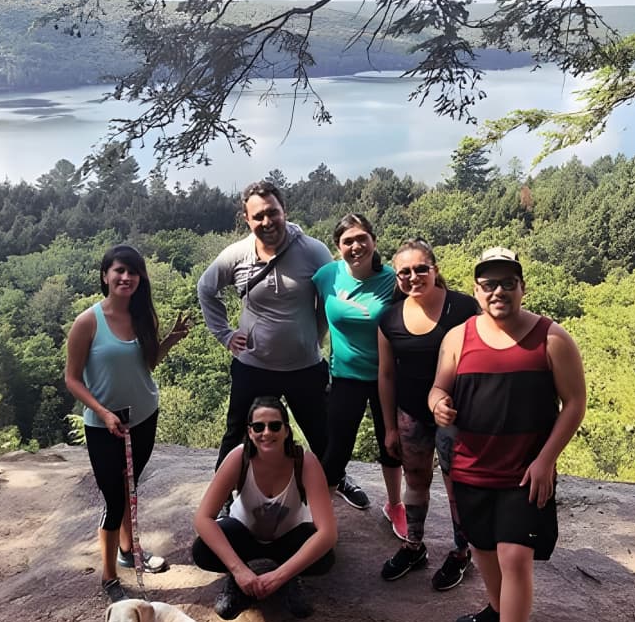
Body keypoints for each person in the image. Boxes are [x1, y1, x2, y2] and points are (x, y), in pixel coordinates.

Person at [429, 247, 586, 622]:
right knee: (482, 550)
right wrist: (439, 404)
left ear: (522, 287)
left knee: (514, 556)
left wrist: (546, 461)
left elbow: (574, 404)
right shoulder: (458, 337)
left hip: (525, 472)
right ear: (477, 292)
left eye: (507, 283)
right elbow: (438, 389)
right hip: (471, 467)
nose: (498, 291)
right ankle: (498, 613)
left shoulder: (553, 339)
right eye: (489, 284)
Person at [65, 244, 190, 602]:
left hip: (144, 416)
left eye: (133, 272)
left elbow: (145, 365)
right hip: (103, 425)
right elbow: (72, 379)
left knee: (129, 488)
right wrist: (102, 412)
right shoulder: (88, 322)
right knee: (114, 499)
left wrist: (169, 341)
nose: (126, 277)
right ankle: (109, 576)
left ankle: (128, 551)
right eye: (119, 270)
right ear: (105, 275)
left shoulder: (143, 317)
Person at [197, 180, 332, 475]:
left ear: (284, 211)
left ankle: (338, 480)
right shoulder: (237, 255)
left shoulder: (313, 251)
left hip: (305, 366)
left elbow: (330, 300)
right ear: (247, 219)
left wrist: (317, 338)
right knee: (237, 435)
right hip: (254, 366)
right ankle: (224, 495)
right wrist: (224, 334)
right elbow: (206, 288)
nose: (267, 221)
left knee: (323, 435)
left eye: (273, 212)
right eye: (258, 216)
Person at [378, 238, 478, 588]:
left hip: (458, 416)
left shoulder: (464, 309)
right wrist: (390, 427)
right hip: (411, 414)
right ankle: (414, 545)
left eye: (421, 268)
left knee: (458, 486)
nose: (414, 276)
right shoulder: (389, 318)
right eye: (404, 271)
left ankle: (461, 553)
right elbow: (386, 374)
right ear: (397, 276)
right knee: (416, 483)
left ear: (436, 270)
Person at [192, 396, 337, 620]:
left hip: (289, 540)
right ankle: (239, 579)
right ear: (250, 432)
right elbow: (203, 518)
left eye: (275, 426)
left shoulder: (305, 462)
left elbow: (327, 533)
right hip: (244, 536)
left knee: (325, 556)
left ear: (287, 431)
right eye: (258, 427)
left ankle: (288, 578)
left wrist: (280, 576)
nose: (266, 433)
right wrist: (239, 570)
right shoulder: (239, 458)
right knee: (203, 550)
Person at [312, 214, 402, 513]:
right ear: (338, 246)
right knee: (336, 449)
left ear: (374, 241)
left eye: (362, 238)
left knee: (391, 445)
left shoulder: (393, 279)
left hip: (387, 376)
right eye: (348, 241)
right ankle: (321, 516)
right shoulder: (327, 276)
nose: (356, 246)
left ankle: (395, 505)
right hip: (344, 376)